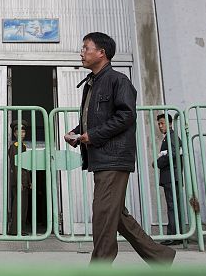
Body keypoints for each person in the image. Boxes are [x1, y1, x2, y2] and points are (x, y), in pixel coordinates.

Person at [63, 32, 175, 265]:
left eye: (86, 48)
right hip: (101, 157)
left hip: (113, 158)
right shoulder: (92, 83)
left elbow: (126, 115)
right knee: (116, 215)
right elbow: (94, 120)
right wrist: (77, 134)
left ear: (101, 53)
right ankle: (160, 257)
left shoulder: (118, 80)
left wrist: (93, 135)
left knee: (103, 214)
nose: (81, 53)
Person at [155, 113, 182, 245]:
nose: (160, 126)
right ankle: (177, 235)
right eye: (159, 124)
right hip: (172, 176)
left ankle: (173, 236)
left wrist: (158, 162)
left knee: (172, 206)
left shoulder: (171, 136)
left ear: (170, 123)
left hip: (171, 176)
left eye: (162, 123)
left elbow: (173, 153)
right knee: (174, 206)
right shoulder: (169, 137)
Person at [7, 120, 32, 235]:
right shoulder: (14, 147)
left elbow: (26, 165)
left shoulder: (24, 147)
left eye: (23, 132)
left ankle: (21, 229)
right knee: (18, 205)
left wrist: (29, 181)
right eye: (19, 132)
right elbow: (15, 165)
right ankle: (14, 230)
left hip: (24, 180)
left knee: (24, 206)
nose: (22, 134)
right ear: (15, 134)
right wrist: (19, 182)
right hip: (18, 181)